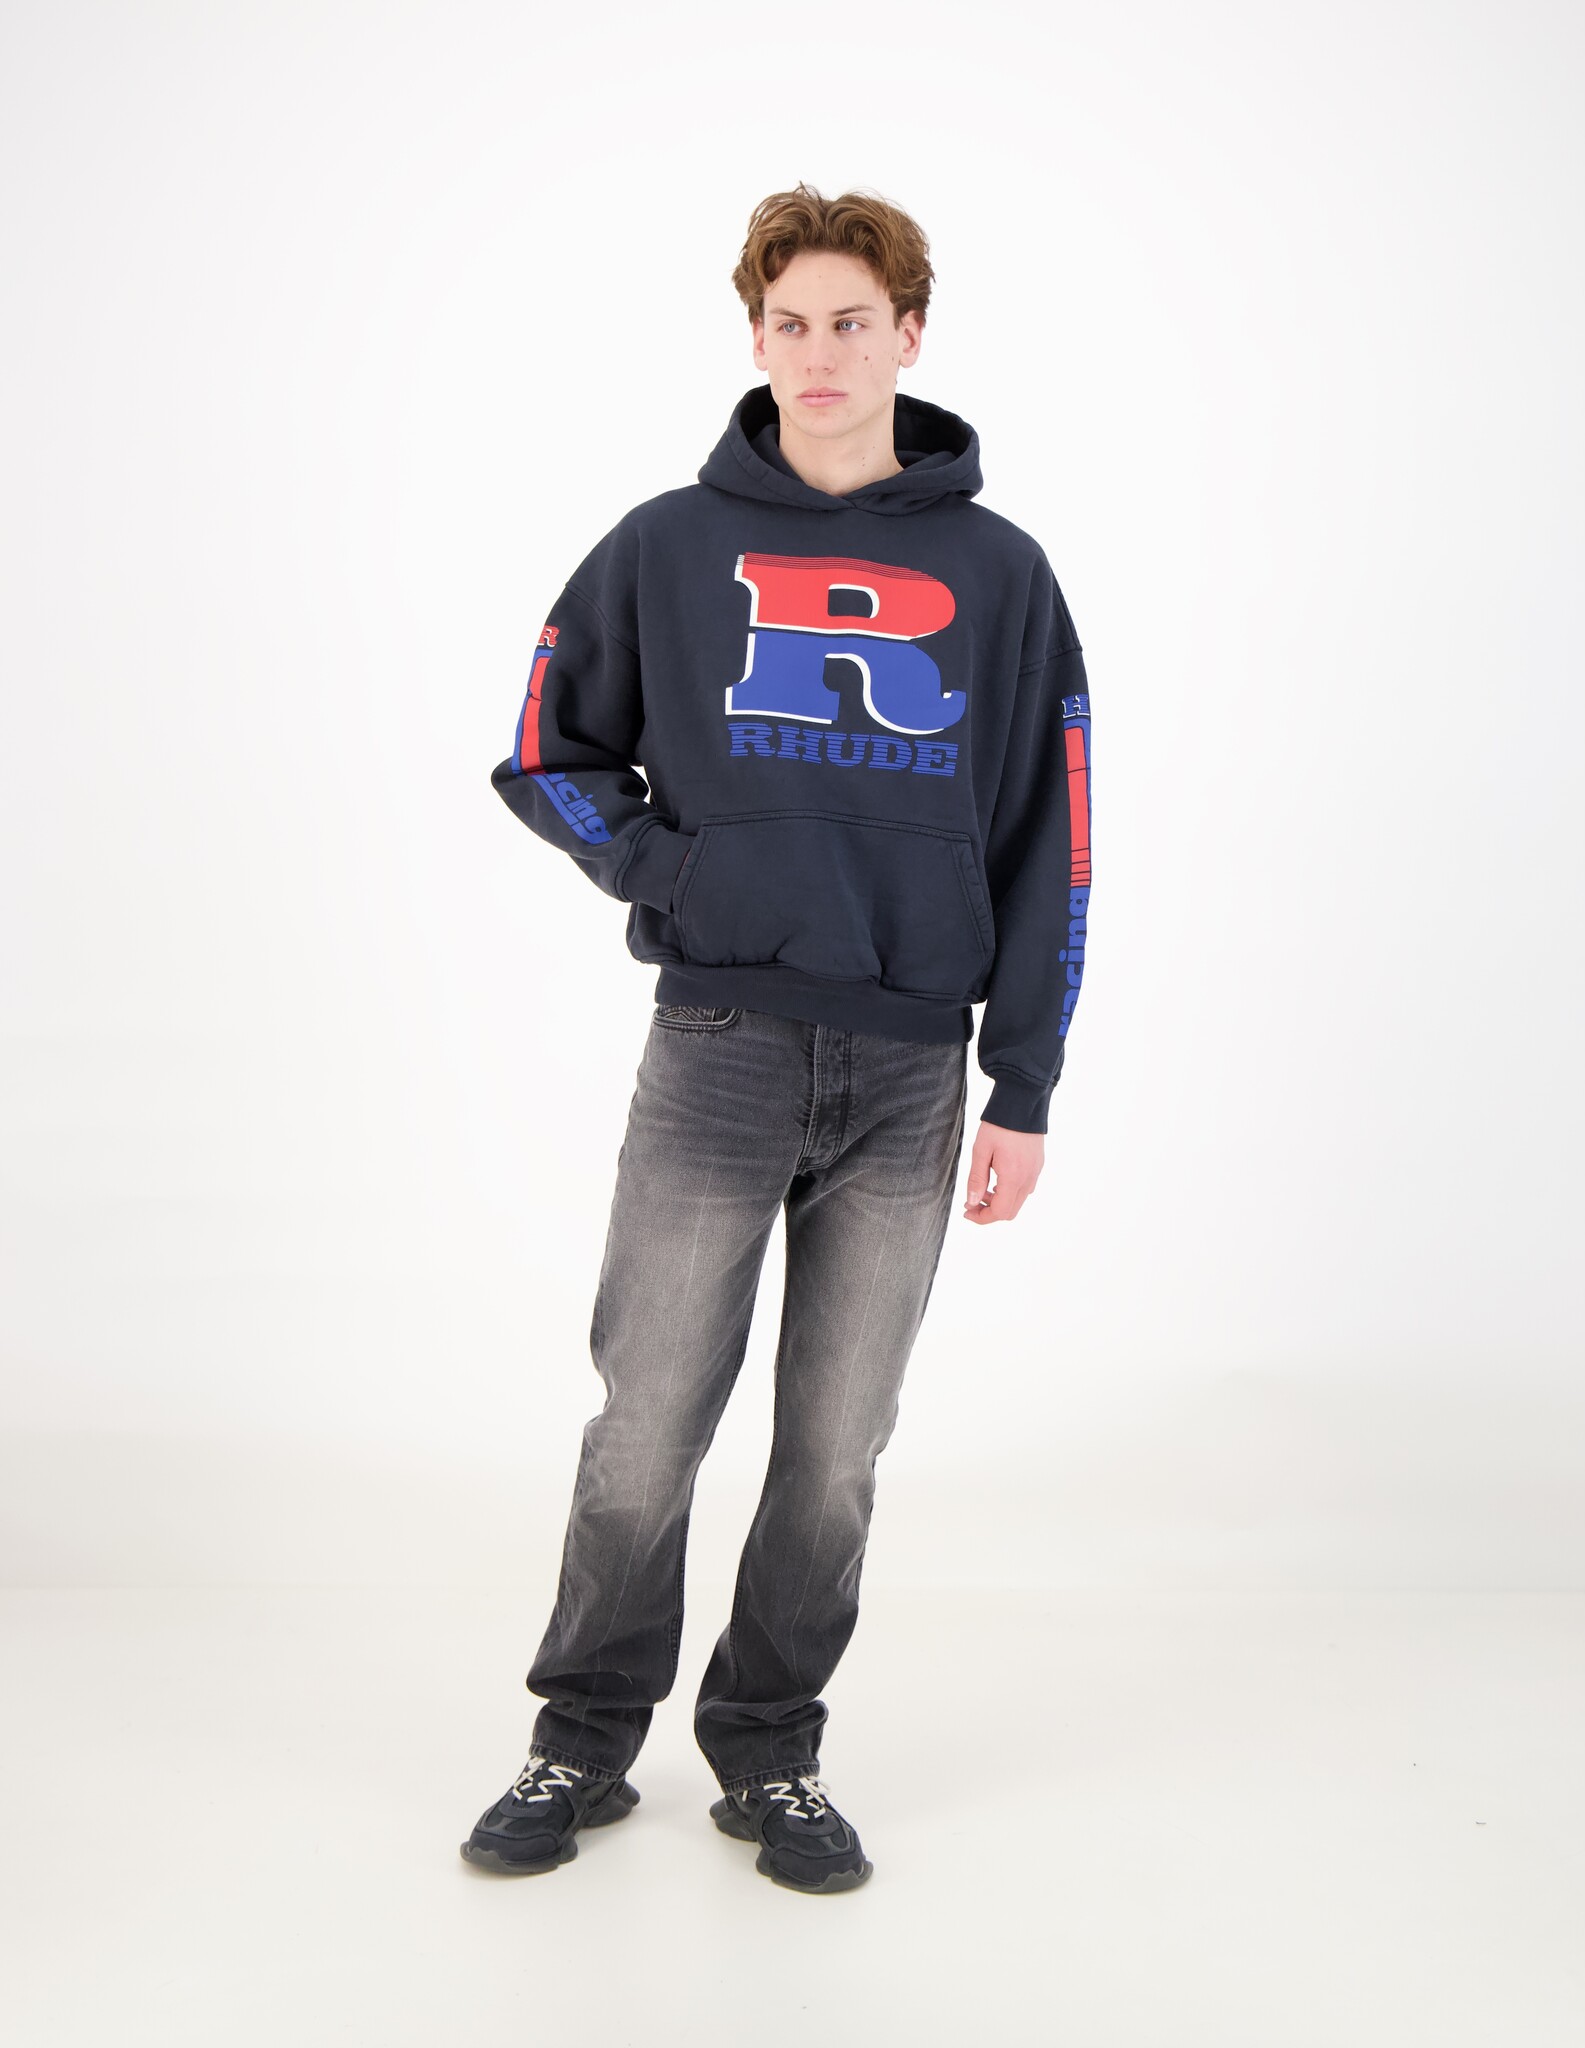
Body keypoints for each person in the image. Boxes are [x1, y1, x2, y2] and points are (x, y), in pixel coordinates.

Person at [460, 182, 1091, 1894]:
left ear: (908, 335)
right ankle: (583, 1739)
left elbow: (1052, 837)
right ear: (755, 337)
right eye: (790, 323)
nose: (820, 353)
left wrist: (1022, 1081)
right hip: (720, 1048)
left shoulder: (1000, 574)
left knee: (832, 1452)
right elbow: (543, 753)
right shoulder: (667, 544)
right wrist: (675, 871)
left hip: (909, 1074)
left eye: (851, 322)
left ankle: (770, 1754)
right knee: (646, 1426)